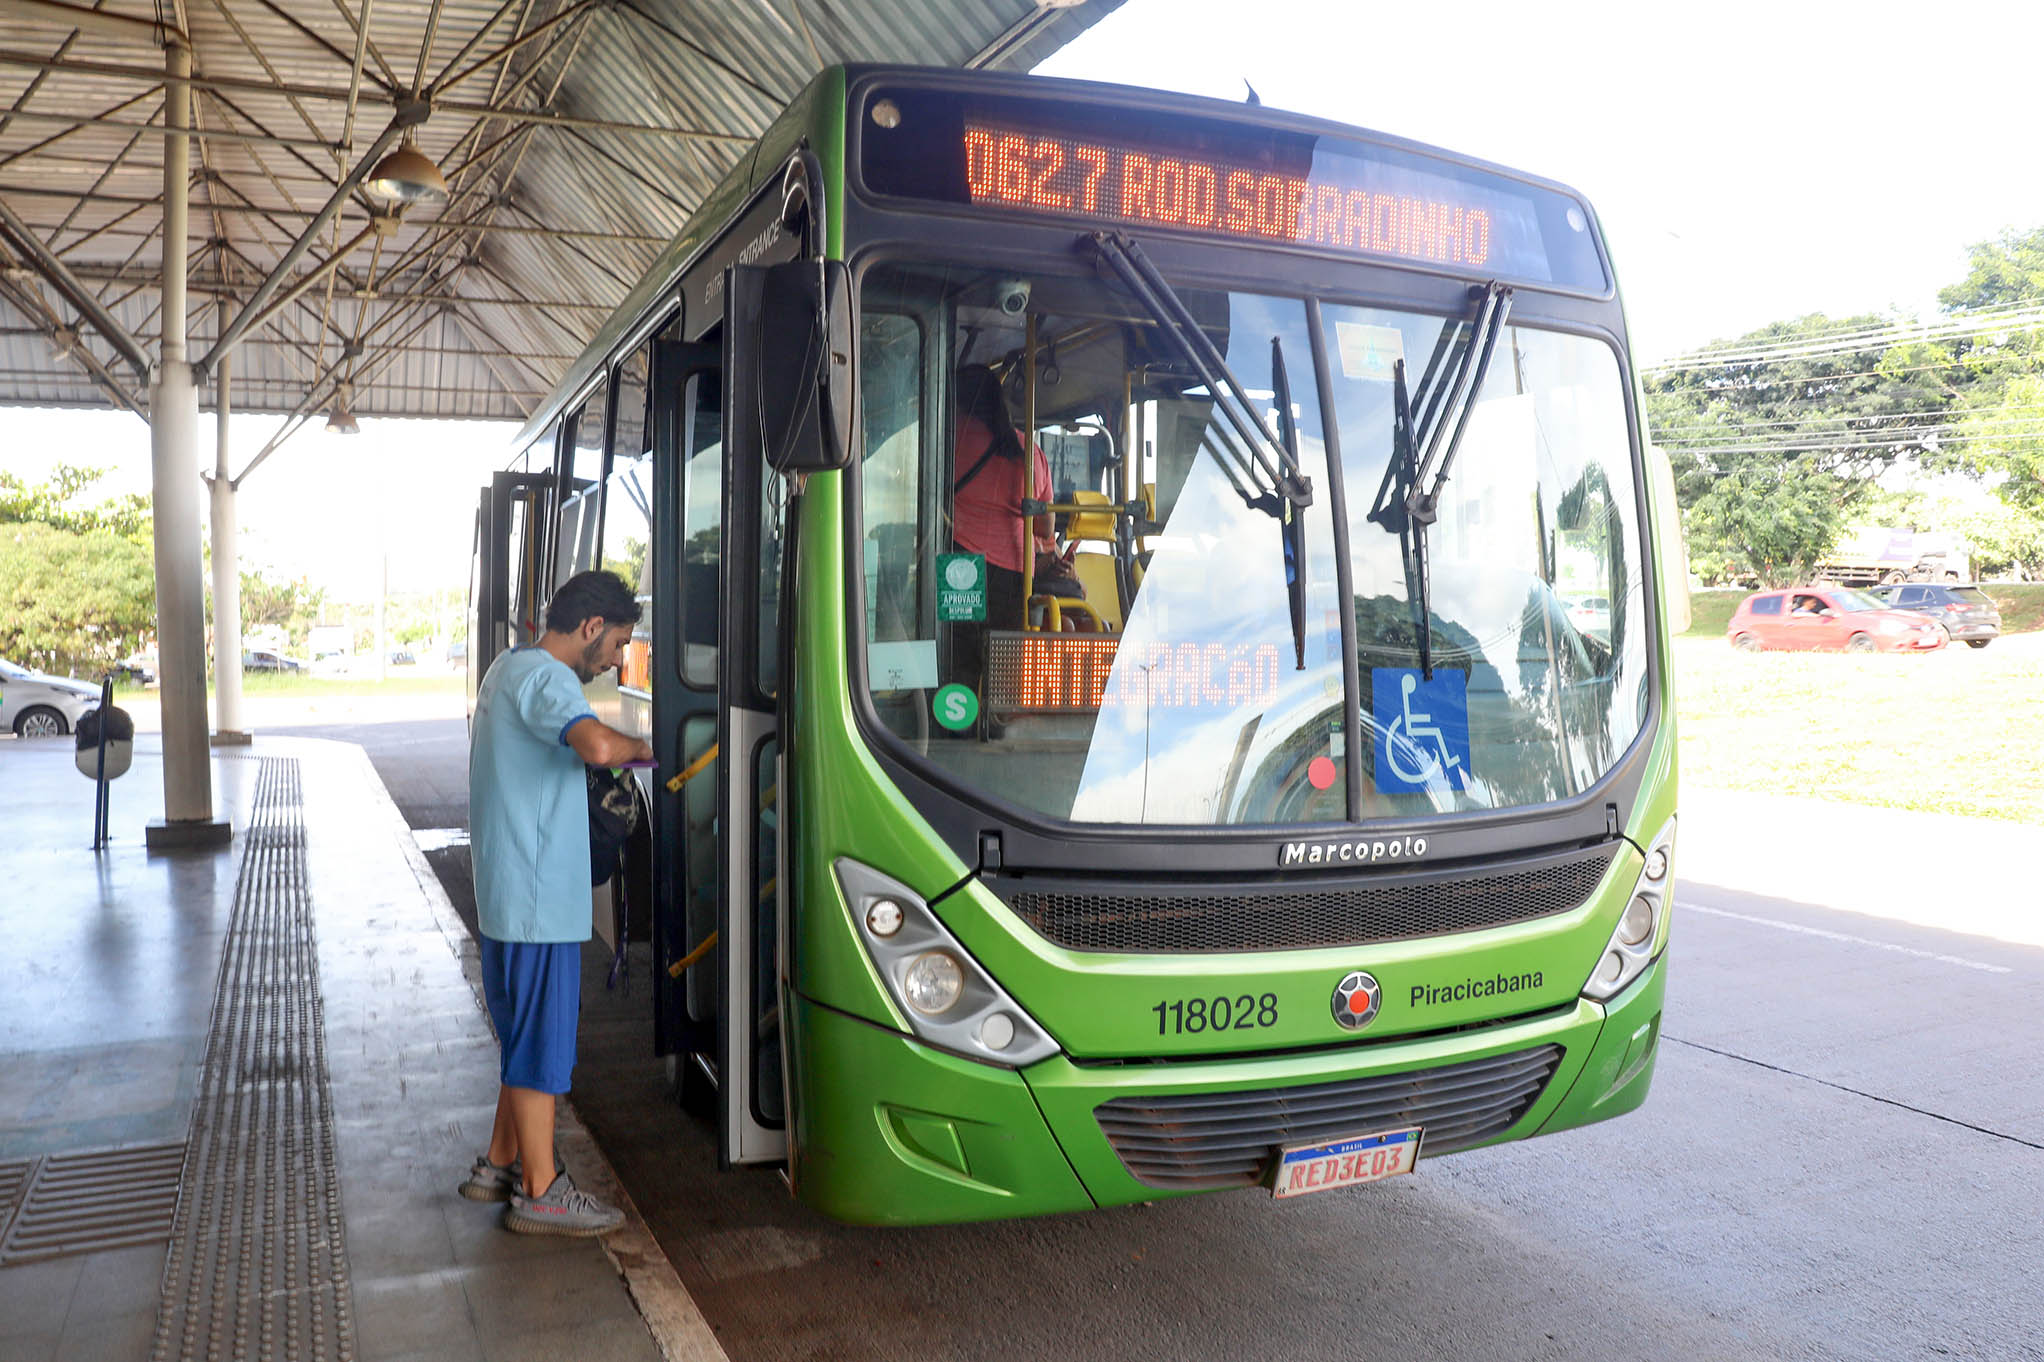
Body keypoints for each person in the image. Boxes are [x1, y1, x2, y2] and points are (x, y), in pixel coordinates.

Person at [458, 569, 653, 1236]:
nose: (618, 658)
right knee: (542, 1048)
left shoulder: (505, 669)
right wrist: (654, 745)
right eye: (618, 642)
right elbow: (597, 745)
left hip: (510, 893)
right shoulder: (549, 678)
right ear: (591, 627)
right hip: (539, 898)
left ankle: (498, 1165)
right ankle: (541, 1191)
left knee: (522, 1041)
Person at [951, 364, 1083, 630]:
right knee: (1004, 655)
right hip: (1013, 568)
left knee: (959, 651)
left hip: (960, 561)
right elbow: (1044, 527)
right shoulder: (1029, 452)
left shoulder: (950, 439)